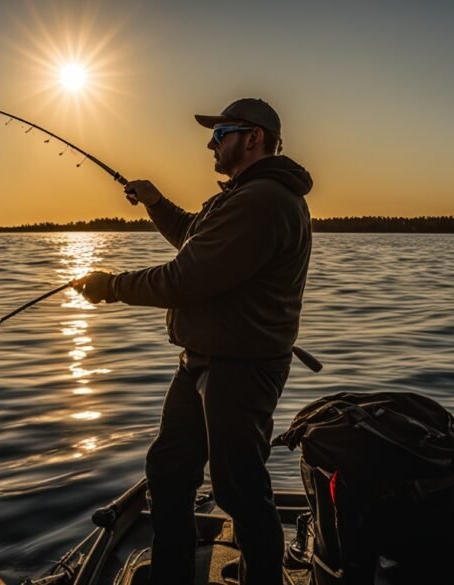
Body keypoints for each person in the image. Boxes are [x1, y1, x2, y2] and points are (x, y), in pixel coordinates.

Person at [74, 98, 313, 585]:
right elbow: (193, 237)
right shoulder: (240, 197)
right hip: (203, 363)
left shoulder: (263, 201)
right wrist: (157, 204)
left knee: (239, 488)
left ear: (253, 137)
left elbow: (186, 277)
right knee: (168, 471)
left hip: (240, 369)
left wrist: (112, 287)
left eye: (220, 132)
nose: (210, 142)